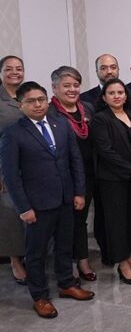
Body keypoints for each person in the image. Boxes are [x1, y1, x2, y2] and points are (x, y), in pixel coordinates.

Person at [0, 81, 94, 318]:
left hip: (65, 198)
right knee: (36, 253)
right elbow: (11, 175)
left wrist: (79, 192)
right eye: (31, 101)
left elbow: (75, 160)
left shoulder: (60, 124)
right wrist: (24, 207)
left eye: (41, 99)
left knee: (65, 245)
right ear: (20, 105)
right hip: (37, 204)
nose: (38, 105)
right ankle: (40, 296)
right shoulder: (13, 133)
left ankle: (66, 283)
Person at [91, 79, 131, 285]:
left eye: (120, 92)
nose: (117, 96)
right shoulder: (100, 119)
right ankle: (122, 263)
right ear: (104, 97)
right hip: (113, 179)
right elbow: (105, 151)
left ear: (126, 95)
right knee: (117, 222)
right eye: (112, 93)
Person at [48, 66, 97, 283]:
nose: (72, 90)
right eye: (66, 86)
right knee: (65, 223)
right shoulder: (49, 112)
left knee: (80, 220)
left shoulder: (87, 108)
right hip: (62, 176)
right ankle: (67, 266)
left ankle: (83, 260)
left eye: (76, 85)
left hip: (88, 173)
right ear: (54, 88)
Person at [0, 55, 27, 285]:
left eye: (19, 68)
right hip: (5, 165)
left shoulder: (28, 94)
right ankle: (15, 260)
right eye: (9, 69)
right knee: (10, 213)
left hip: (31, 165)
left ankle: (30, 255)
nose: (15, 72)